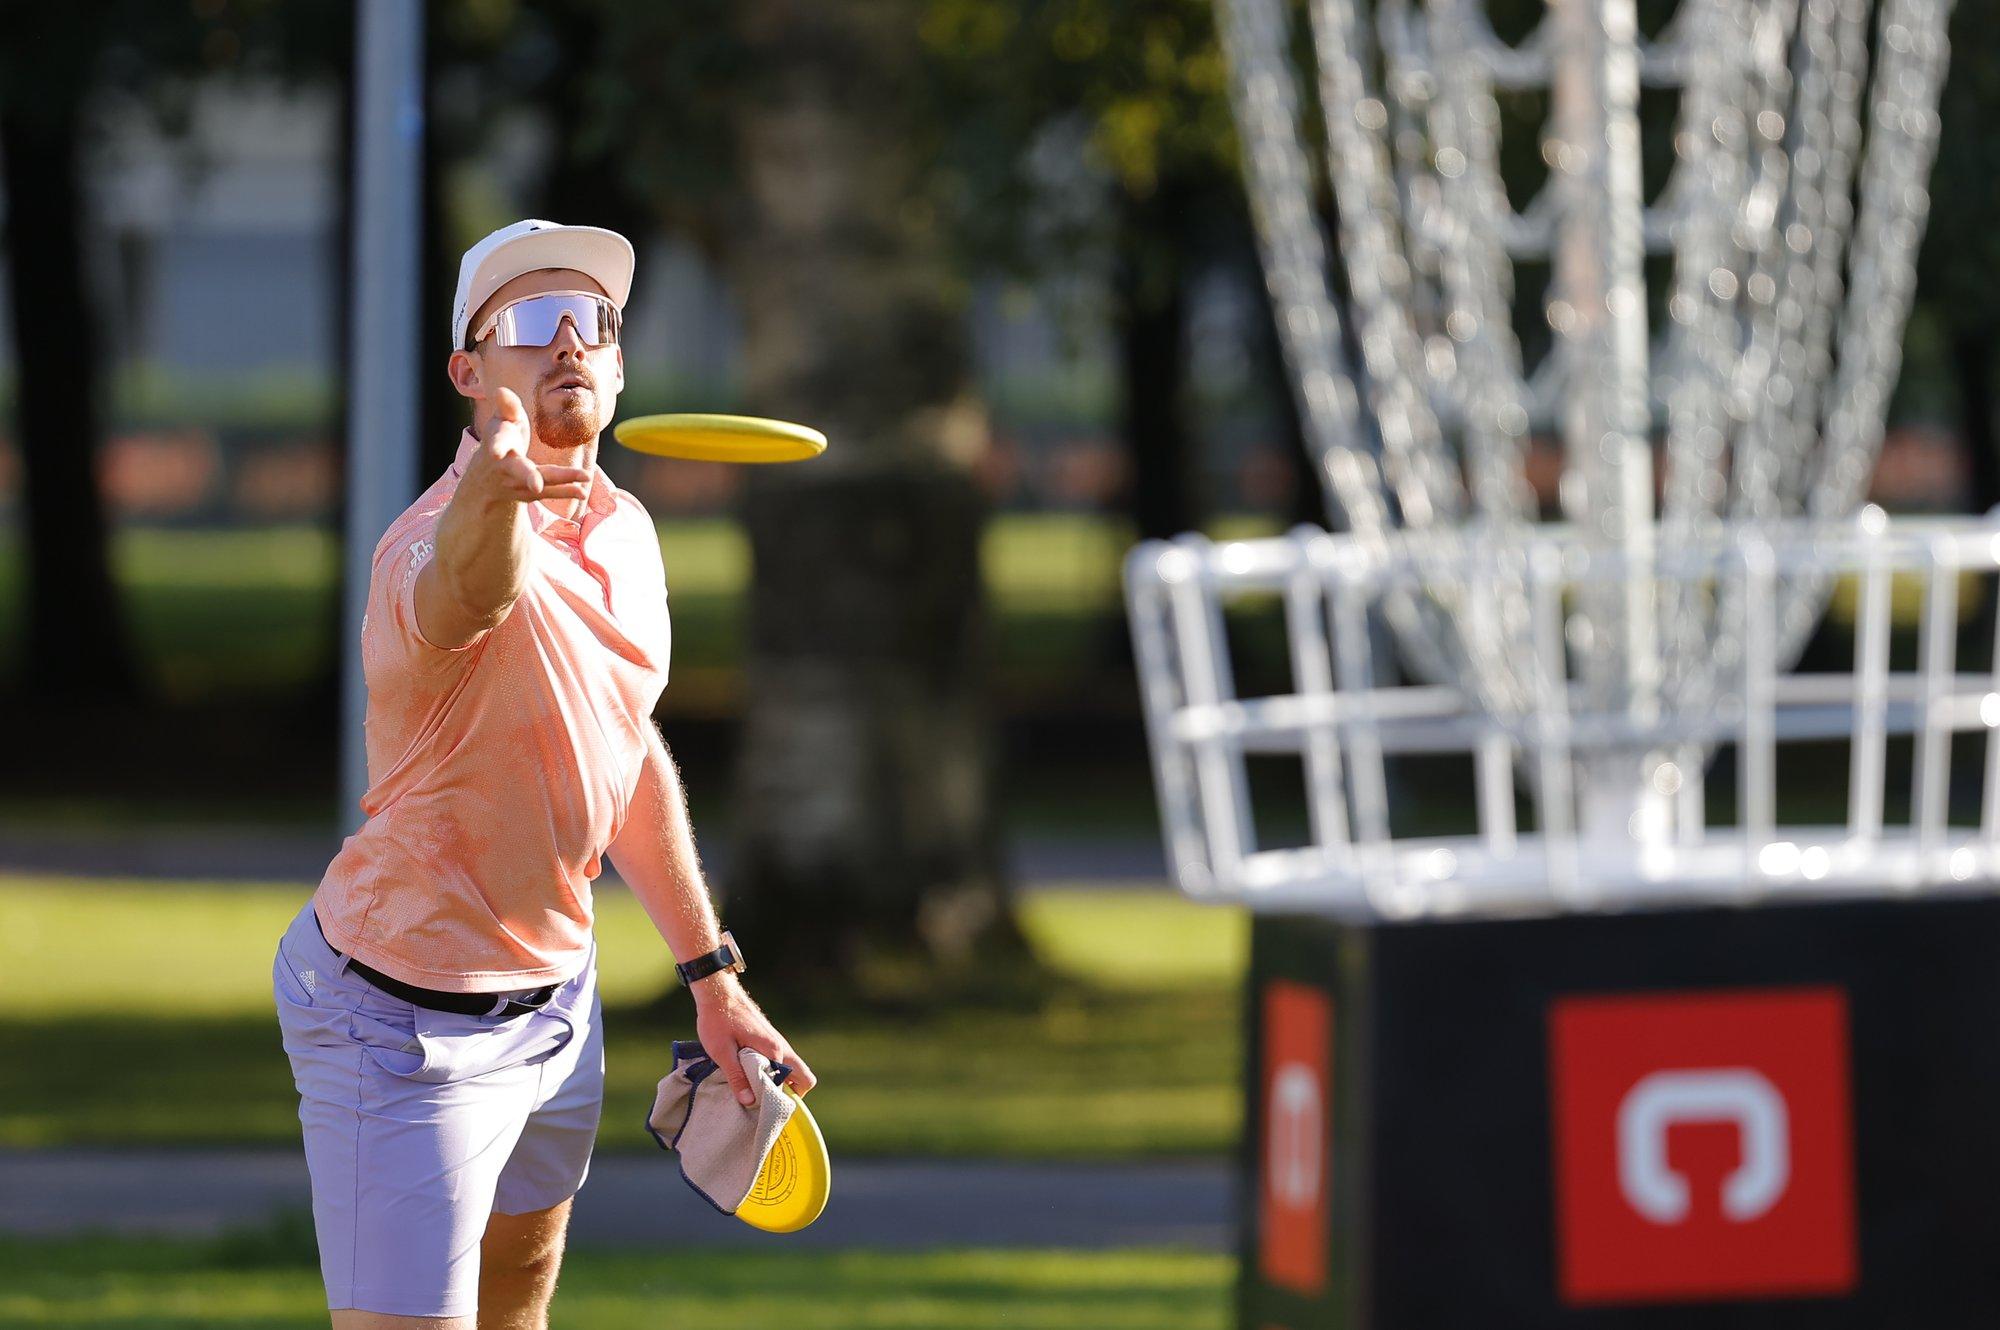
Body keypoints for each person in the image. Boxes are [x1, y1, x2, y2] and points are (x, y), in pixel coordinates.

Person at [271, 219, 812, 1329]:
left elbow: (624, 748)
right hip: (402, 1017)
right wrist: (499, 495)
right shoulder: (430, 544)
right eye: (528, 323)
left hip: (558, 1003)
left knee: (519, 1295)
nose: (566, 342)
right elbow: (475, 587)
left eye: (593, 323)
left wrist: (711, 978)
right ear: (471, 374)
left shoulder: (627, 535)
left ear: (617, 365)